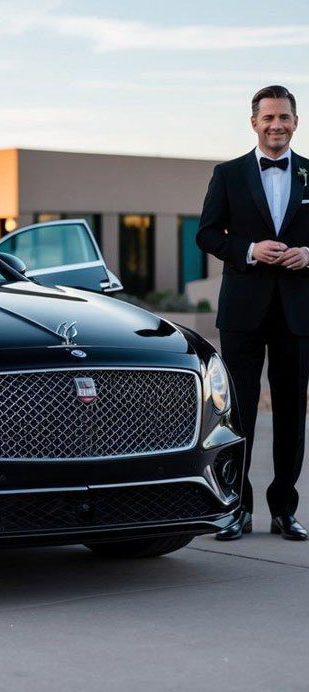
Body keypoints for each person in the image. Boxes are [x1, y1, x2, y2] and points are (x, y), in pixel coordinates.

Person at [197, 85, 309, 541]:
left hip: (298, 314)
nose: (276, 125)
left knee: (290, 414)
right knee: (238, 414)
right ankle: (236, 509)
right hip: (243, 312)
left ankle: (284, 510)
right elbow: (206, 235)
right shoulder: (228, 174)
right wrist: (247, 249)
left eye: (284, 117)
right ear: (254, 123)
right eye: (268, 118)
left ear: (296, 122)